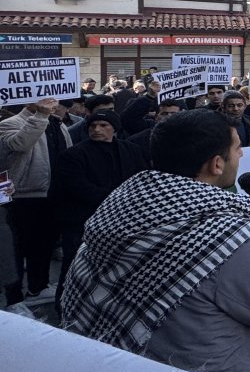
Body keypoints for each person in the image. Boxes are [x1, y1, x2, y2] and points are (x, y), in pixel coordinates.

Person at [60, 109, 250, 372]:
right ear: (217, 164)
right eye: (237, 149)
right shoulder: (230, 237)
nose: (241, 156)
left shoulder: (119, 207)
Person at [49, 110, 148, 309]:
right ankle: (64, 306)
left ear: (114, 128)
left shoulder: (131, 150)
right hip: (82, 222)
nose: (97, 129)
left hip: (122, 221)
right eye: (93, 126)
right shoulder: (73, 155)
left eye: (103, 125)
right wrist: (118, 198)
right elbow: (76, 187)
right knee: (74, 265)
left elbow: (141, 180)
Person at [0, 97, 72, 305]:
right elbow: (19, 144)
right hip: (18, 195)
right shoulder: (9, 124)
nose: (51, 101)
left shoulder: (58, 124)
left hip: (50, 194)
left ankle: (37, 288)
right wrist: (41, 116)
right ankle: (14, 300)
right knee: (15, 248)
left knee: (43, 245)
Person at [128, 99, 184, 164]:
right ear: (156, 116)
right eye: (164, 114)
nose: (169, 117)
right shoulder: (138, 140)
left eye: (174, 114)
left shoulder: (189, 137)